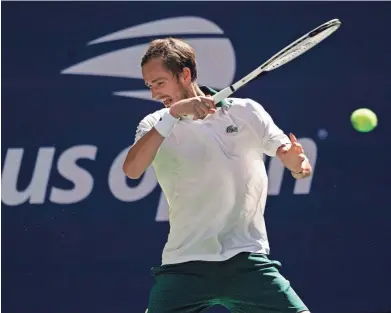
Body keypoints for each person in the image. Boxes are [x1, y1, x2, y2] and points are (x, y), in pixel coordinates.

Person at [123, 37, 312, 313]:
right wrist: (173, 113)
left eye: (160, 83)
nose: (154, 94)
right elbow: (132, 169)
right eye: (149, 86)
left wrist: (297, 164)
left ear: (185, 75)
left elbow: (295, 160)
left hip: (246, 261)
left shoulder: (246, 112)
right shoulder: (154, 124)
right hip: (184, 265)